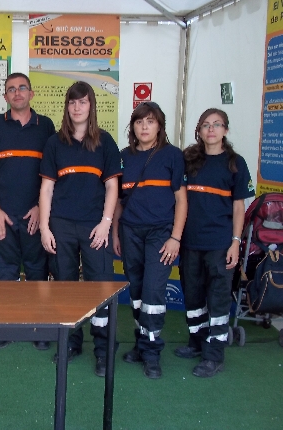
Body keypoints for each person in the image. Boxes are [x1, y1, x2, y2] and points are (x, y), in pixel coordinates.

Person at [39, 81, 121, 377]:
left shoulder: (105, 142)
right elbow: (47, 188)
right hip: (61, 226)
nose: (77, 107)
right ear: (67, 107)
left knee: (100, 288)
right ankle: (71, 343)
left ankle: (103, 350)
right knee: (66, 287)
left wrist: (105, 223)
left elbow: (112, 187)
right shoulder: (54, 143)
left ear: (91, 106)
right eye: (72, 102)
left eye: (82, 102)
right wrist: (45, 227)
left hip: (94, 227)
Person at [176, 108, 254, 377]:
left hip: (220, 244)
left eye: (217, 124)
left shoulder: (235, 163)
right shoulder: (188, 160)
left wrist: (235, 242)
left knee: (218, 300)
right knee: (193, 295)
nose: (211, 129)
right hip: (190, 243)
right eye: (206, 125)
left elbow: (239, 208)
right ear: (199, 130)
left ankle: (214, 355)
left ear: (225, 130)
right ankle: (197, 342)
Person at [0, 72, 55, 350]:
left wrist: (40, 209)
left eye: (22, 88)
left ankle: (39, 328)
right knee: (5, 274)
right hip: (5, 216)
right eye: (11, 89)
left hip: (35, 216)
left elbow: (51, 173)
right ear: (5, 96)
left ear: (31, 93)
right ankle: (6, 327)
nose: (17, 92)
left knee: (37, 272)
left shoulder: (46, 126)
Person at [112, 101, 187, 379]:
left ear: (160, 126)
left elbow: (182, 200)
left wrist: (175, 237)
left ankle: (152, 353)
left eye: (151, 121)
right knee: (137, 290)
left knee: (153, 291)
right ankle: (142, 343)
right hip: (130, 231)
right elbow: (118, 201)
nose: (144, 127)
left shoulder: (172, 155)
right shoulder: (123, 157)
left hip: (161, 233)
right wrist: (116, 233)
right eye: (139, 121)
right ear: (133, 126)